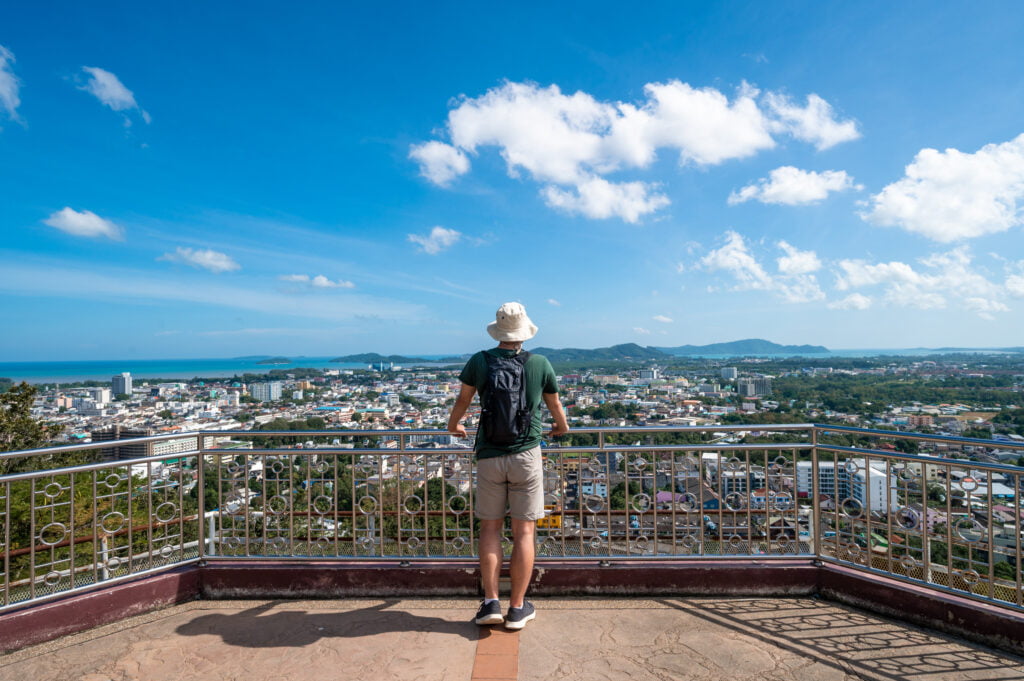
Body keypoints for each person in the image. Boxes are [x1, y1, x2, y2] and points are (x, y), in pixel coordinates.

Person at [447, 302, 569, 630]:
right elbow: (554, 403)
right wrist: (561, 427)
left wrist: (454, 425)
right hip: (526, 454)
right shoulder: (540, 363)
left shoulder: (480, 361)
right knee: (524, 531)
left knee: (490, 529)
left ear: (498, 331)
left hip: (489, 454)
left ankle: (490, 603)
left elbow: (463, 400)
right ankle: (517, 607)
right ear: (525, 331)